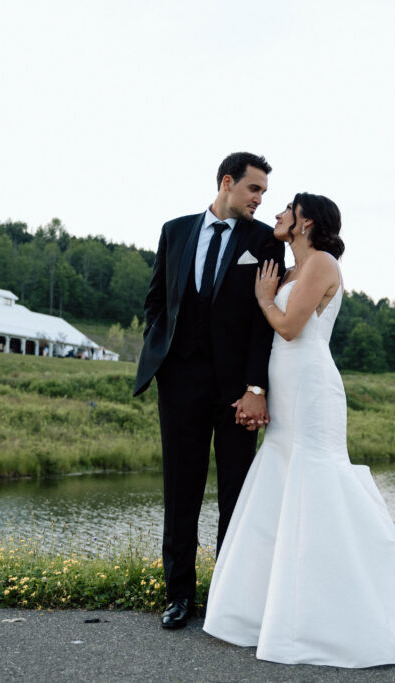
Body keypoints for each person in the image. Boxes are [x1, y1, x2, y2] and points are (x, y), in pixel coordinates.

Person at [203, 193, 395, 668]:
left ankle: (345, 612)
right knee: (281, 479)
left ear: (305, 222)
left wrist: (261, 299)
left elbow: (291, 328)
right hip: (285, 382)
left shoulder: (320, 262)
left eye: (285, 210)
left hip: (311, 386)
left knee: (318, 479)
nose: (275, 215)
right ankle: (270, 610)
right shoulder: (292, 269)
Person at [134, 152, 286, 630]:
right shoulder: (175, 231)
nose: (260, 199)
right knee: (180, 491)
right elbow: (156, 299)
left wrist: (256, 386)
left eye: (263, 192)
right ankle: (178, 596)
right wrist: (160, 352)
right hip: (179, 383)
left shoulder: (263, 241)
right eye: (254, 189)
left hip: (236, 390)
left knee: (235, 495)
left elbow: (265, 323)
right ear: (227, 182)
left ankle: (227, 597)